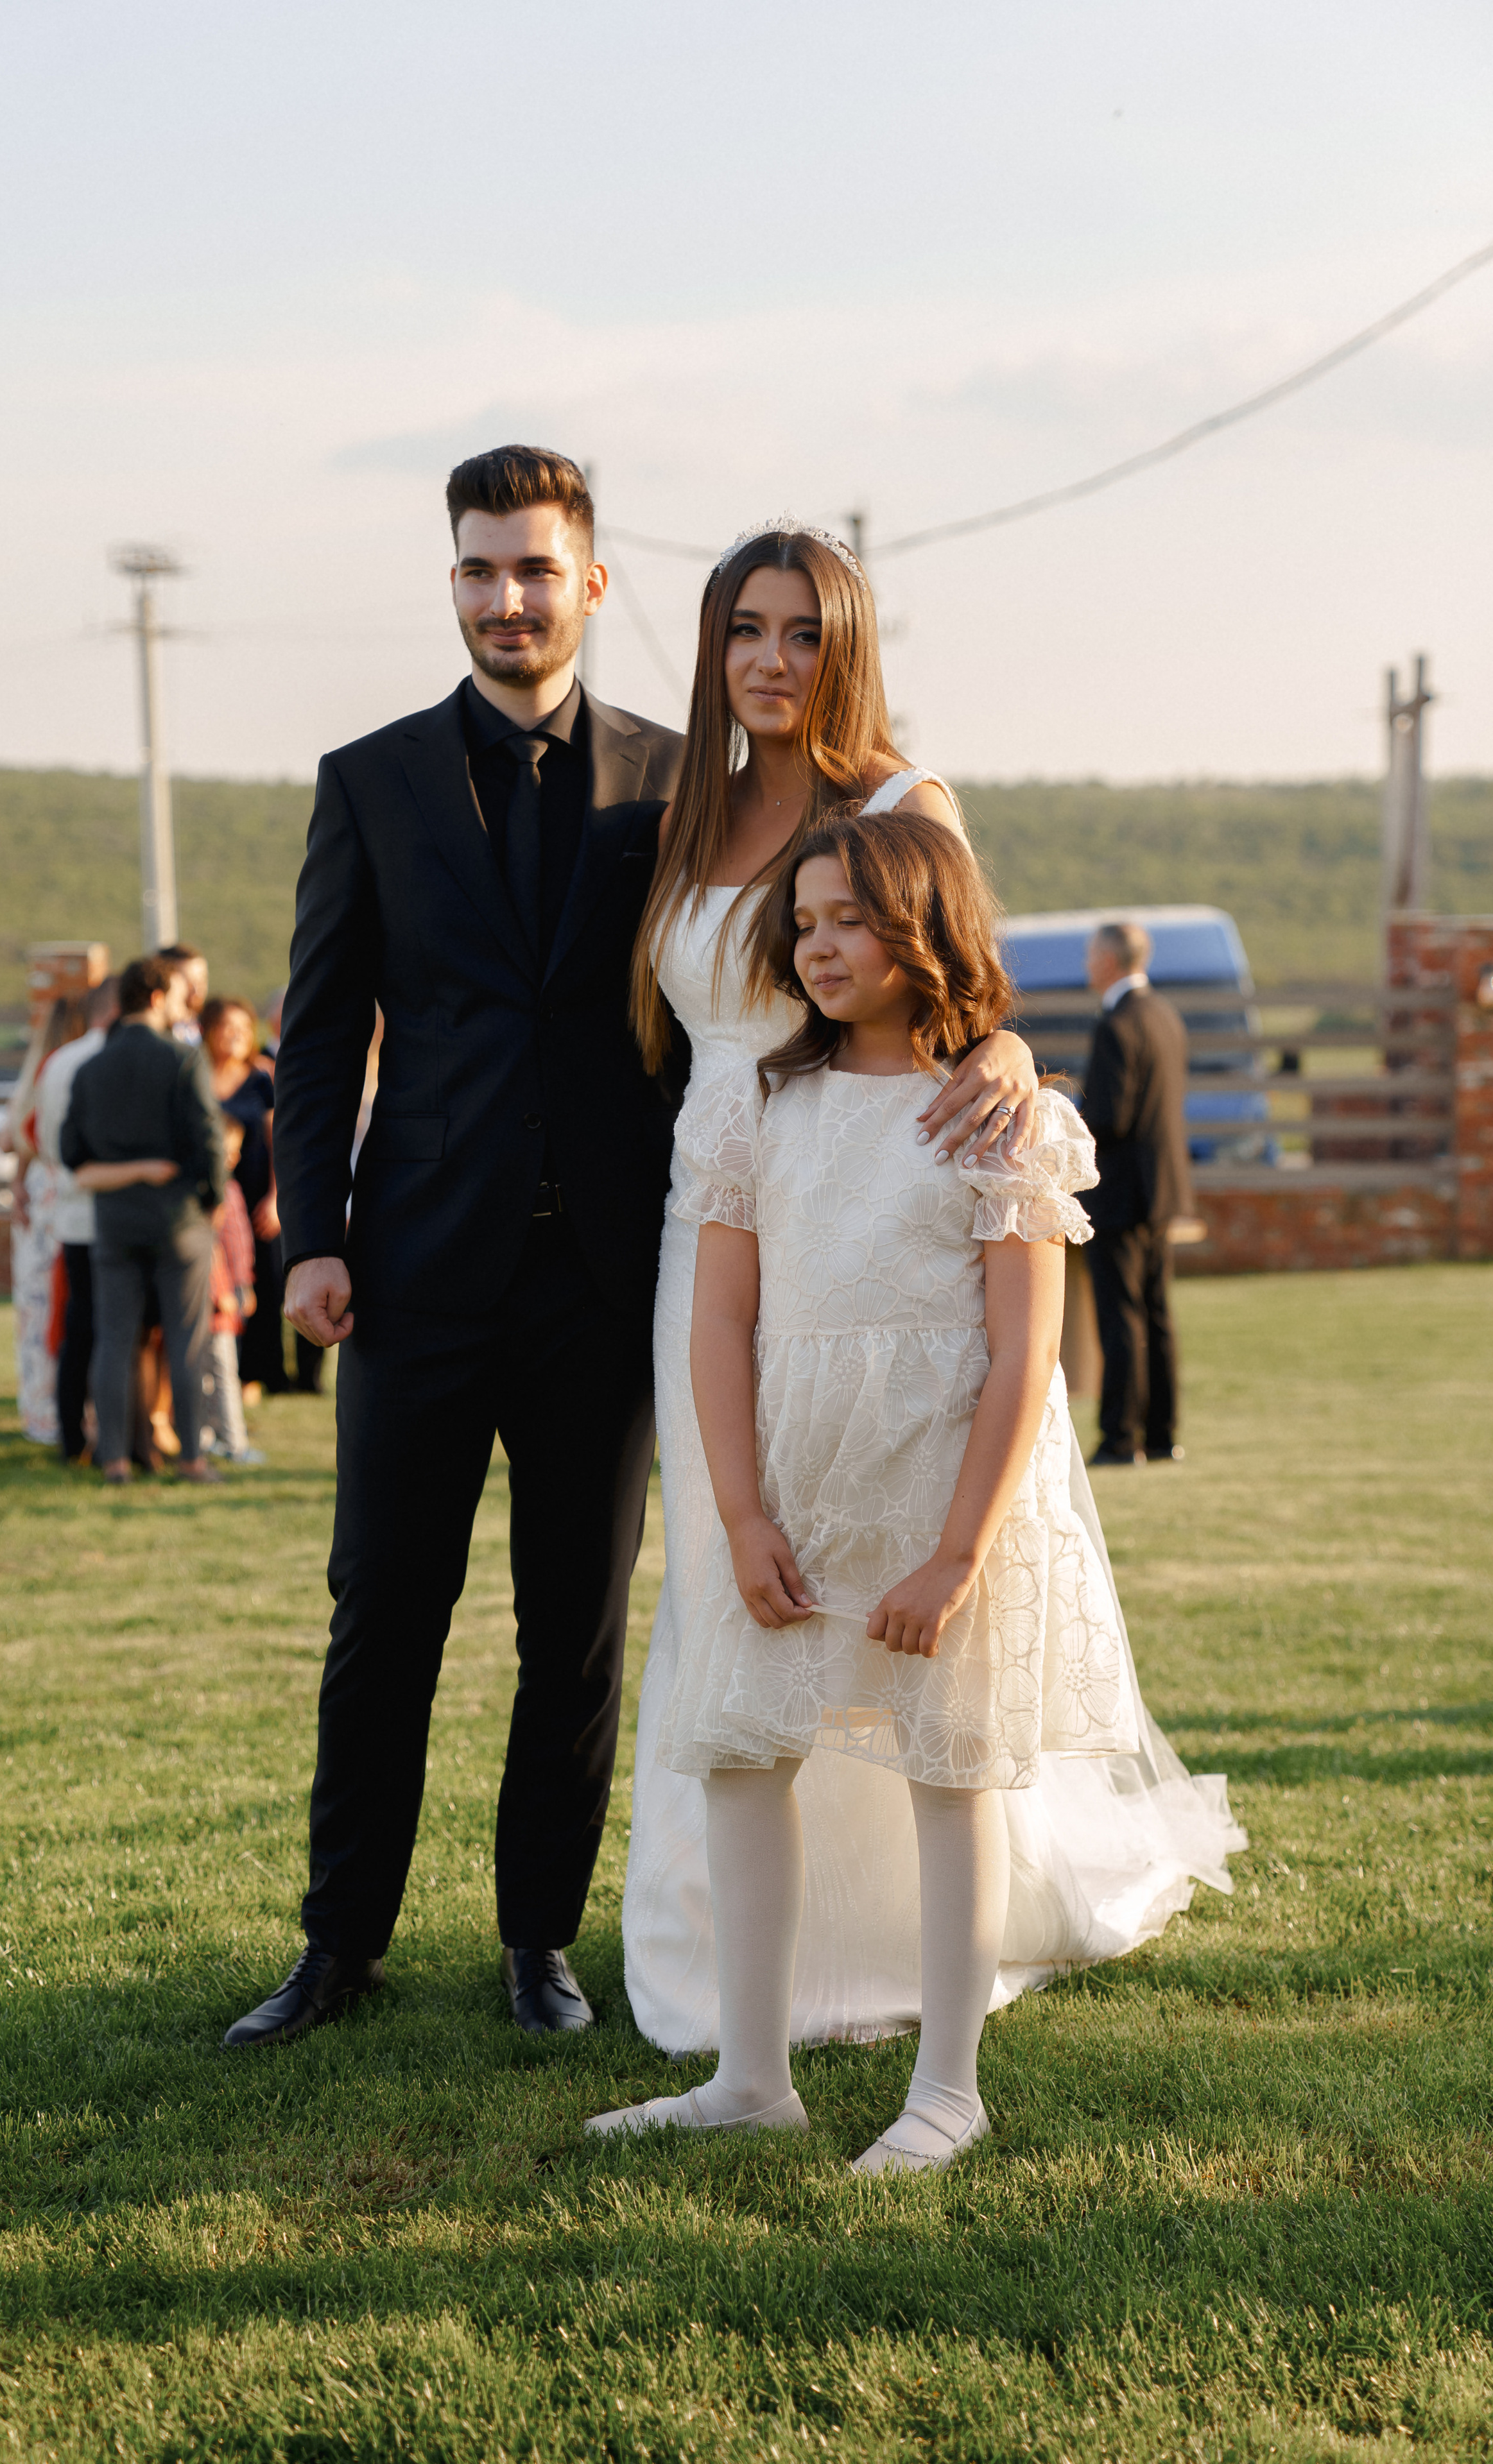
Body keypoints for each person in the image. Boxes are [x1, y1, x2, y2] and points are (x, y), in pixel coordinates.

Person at [227, 450, 1036, 2056]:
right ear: (454, 585)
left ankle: (539, 1938)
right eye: (478, 570)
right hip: (409, 1268)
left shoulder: (679, 786)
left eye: (535, 569)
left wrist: (998, 1050)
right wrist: (307, 1237)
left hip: (619, 1271)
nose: (506, 596)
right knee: (380, 1608)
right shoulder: (367, 781)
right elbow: (317, 1036)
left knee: (576, 1625)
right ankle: (337, 1943)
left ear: (592, 585)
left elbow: (876, 964)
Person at [621, 519, 1243, 2060]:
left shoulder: (900, 802)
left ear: (845, 645)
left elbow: (964, 990)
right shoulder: (677, 815)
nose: (771, 661)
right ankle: (734, 1982)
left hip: (878, 1202)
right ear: (711, 650)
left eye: (802, 632)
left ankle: (904, 1948)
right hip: (723, 1207)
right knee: (736, 1577)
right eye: (743, 631)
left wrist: (1020, 1057)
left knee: (894, 1576)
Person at [61, 954, 229, 1486]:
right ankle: (192, 1460)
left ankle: (113, 1459)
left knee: (114, 1341)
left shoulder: (91, 1068)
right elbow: (210, 1140)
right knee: (186, 1341)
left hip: (113, 1221)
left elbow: (71, 1150)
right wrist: (213, 1199)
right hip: (179, 1218)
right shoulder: (183, 1059)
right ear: (157, 998)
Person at [1078, 922, 1192, 1467]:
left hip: (1120, 1194)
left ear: (1108, 961)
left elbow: (1108, 1116)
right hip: (1163, 1191)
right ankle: (1162, 1434)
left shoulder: (1115, 1026)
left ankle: (1121, 1438)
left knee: (1120, 1316)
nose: (1087, 963)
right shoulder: (1165, 1016)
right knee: (1157, 1313)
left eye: (1091, 953)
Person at [33, 975, 121, 1462]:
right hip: (110, 1213)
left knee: (78, 1328)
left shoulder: (57, 1062)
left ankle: (71, 1436)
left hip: (71, 1214)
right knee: (117, 1332)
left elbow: (49, 1143)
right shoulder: (107, 1060)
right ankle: (116, 1437)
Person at [4, 995, 89, 1446]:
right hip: (65, 1187)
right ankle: (72, 1409)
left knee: (35, 1309)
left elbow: (12, 1138)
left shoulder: (32, 1075)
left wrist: (19, 1180)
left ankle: (39, 1409)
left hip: (36, 1189)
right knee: (67, 1299)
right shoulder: (71, 1070)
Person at [201, 996, 289, 1396]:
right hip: (208, 1198)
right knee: (218, 1286)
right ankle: (219, 1370)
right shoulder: (195, 1075)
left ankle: (257, 1374)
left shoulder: (262, 1077)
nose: (236, 1036)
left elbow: (278, 1141)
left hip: (257, 1196)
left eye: (243, 1027)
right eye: (227, 1027)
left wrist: (275, 1197)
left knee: (266, 1284)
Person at [202, 1116, 264, 1465]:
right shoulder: (213, 1195)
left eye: (236, 1152)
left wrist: (245, 1284)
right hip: (214, 1297)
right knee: (221, 1371)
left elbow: (240, 1246)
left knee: (215, 1369)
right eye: (227, 1152)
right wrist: (224, 1291)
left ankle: (209, 1435)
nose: (234, 1158)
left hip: (229, 1291)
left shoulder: (231, 1188)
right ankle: (233, 1442)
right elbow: (211, 1245)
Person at [159, 943, 208, 1046]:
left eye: (201, 980)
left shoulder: (212, 1024)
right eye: (188, 982)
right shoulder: (157, 1030)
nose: (197, 989)